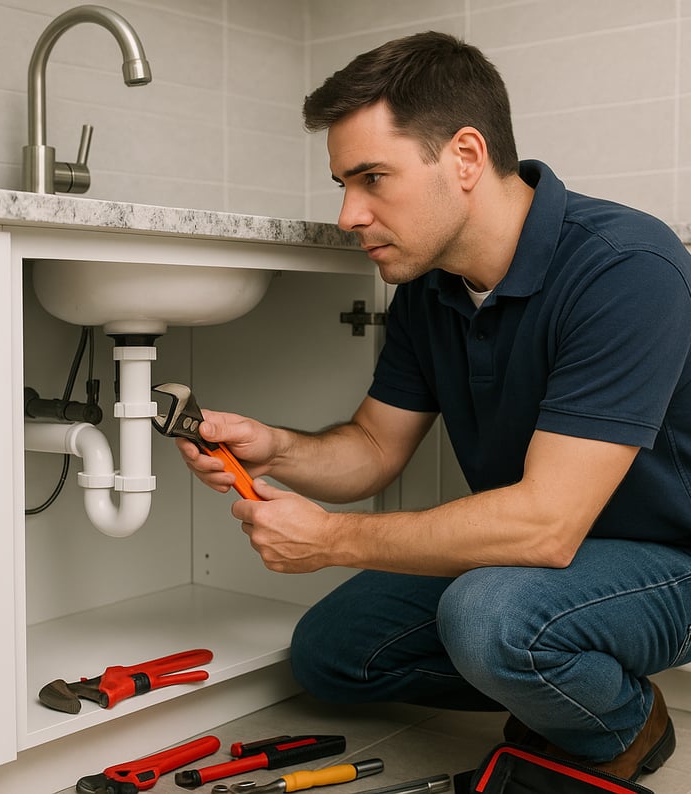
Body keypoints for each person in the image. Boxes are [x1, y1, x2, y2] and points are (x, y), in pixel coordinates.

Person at [177, 31, 691, 782]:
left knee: (489, 618)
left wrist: (330, 539)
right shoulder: (429, 288)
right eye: (342, 184)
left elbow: (548, 526)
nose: (350, 214)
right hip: (534, 557)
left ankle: (621, 722)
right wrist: (275, 448)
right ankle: (560, 680)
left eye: (373, 178)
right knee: (331, 655)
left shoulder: (625, 269)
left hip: (669, 560)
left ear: (466, 157)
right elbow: (373, 448)